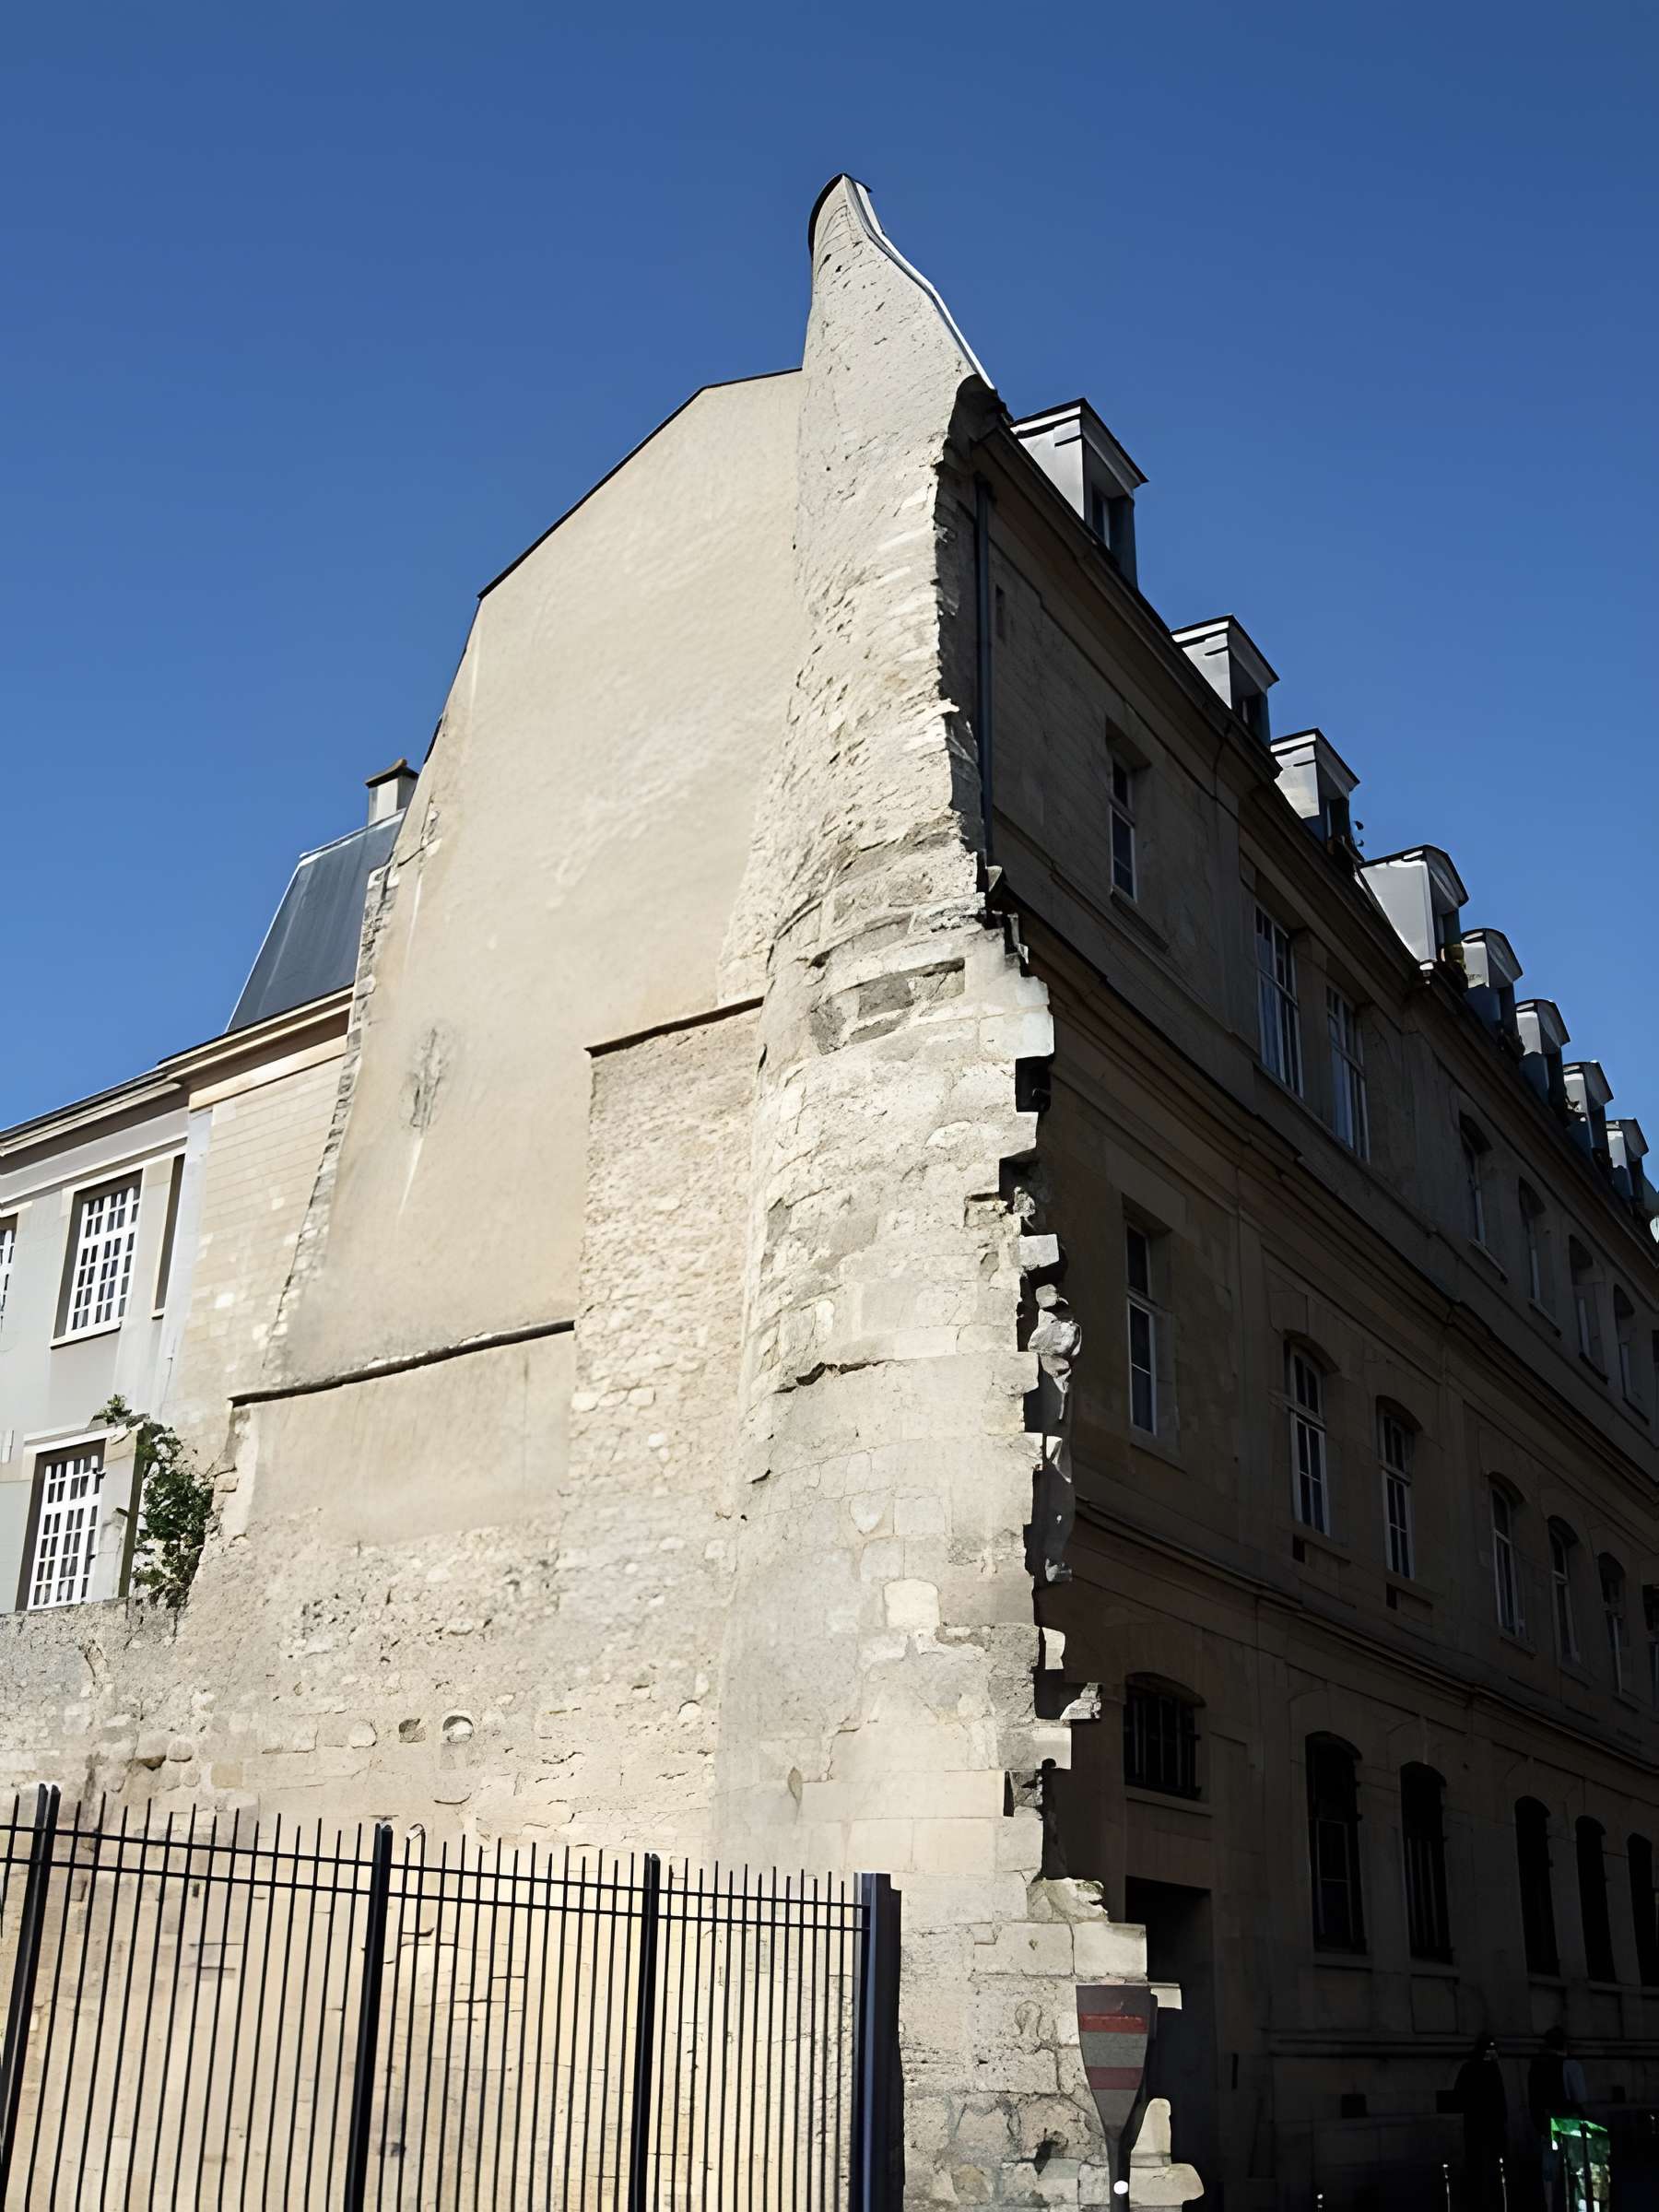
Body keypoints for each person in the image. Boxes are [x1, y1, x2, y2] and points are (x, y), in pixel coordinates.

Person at [1528, 2027, 1588, 2211]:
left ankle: (1551, 2206)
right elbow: (1580, 2098)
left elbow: (1533, 2099)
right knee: (1575, 2169)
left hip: (1547, 2123)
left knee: (1549, 2171)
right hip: (1568, 2122)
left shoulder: (1536, 2066)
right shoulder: (1570, 2065)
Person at [1453, 2034, 1508, 2210]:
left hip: (1475, 2126)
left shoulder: (1469, 2068)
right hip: (1490, 2127)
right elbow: (1500, 2100)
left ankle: (1478, 2202)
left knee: (1476, 2168)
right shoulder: (1492, 2070)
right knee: (1490, 2169)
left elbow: (1458, 2096)